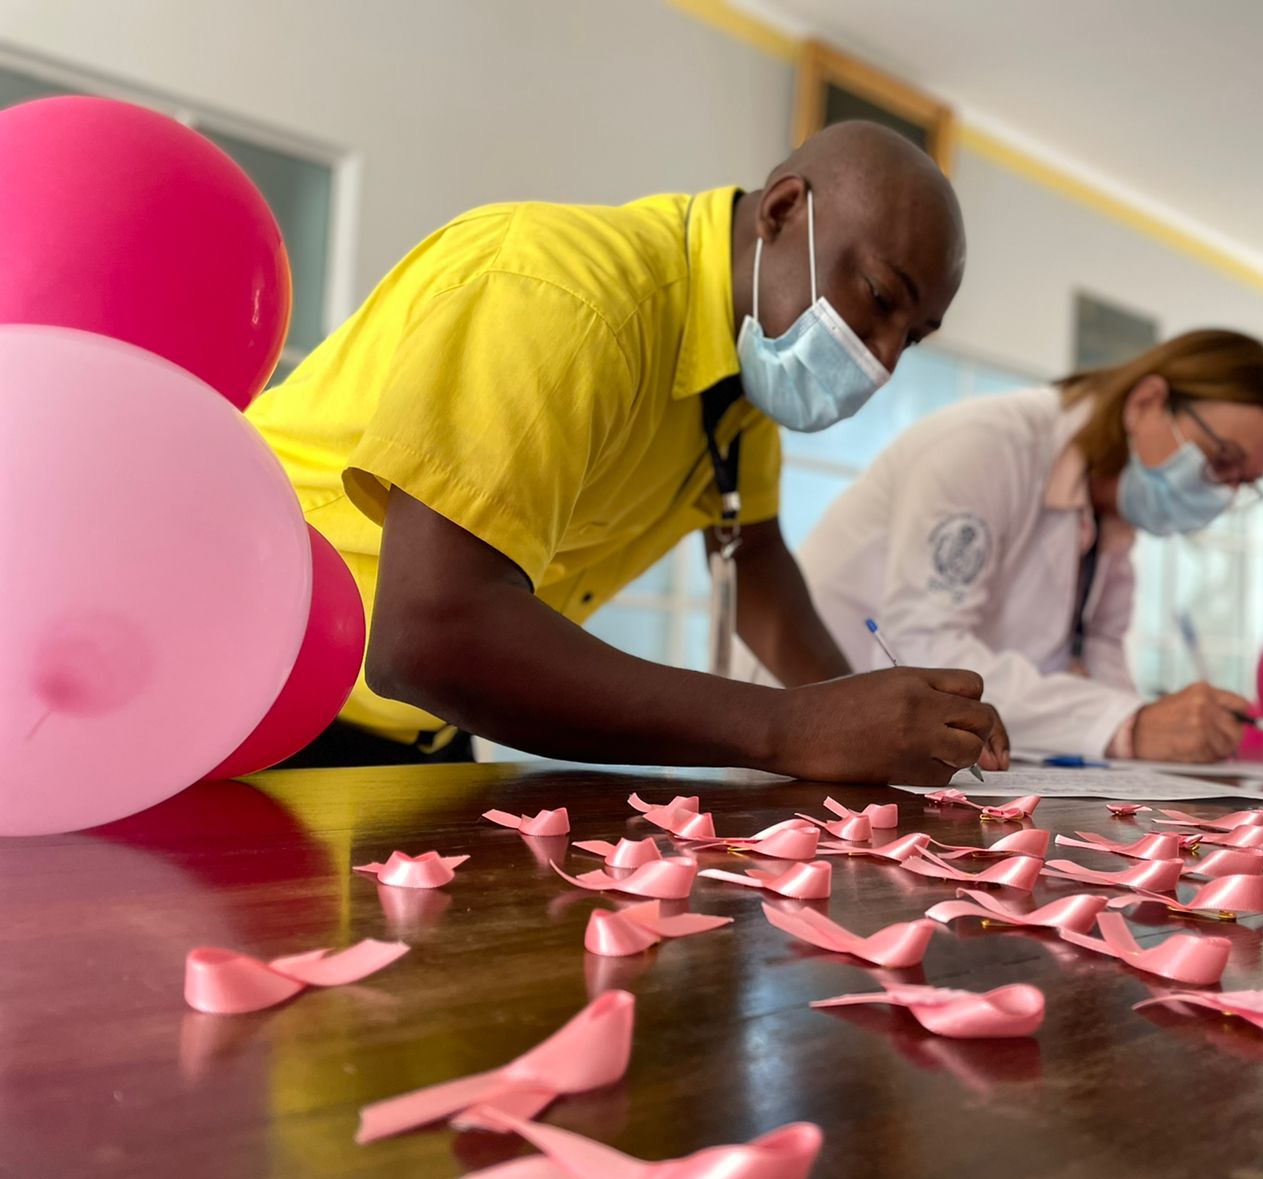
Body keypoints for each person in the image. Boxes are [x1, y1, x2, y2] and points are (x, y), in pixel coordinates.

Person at [246, 121, 1007, 783]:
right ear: (782, 211)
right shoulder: (560, 297)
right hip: (258, 709)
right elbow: (426, 637)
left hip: (420, 734)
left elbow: (758, 567)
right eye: (879, 297)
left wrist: (885, 724)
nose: (883, 359)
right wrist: (796, 729)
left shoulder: (740, 384)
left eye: (912, 338)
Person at [755, 329, 1263, 764]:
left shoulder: (1114, 519)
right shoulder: (989, 447)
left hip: (940, 758)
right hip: (811, 729)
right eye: (1222, 461)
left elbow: (1100, 659)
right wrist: (1129, 725)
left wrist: (1158, 728)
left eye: (1243, 483)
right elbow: (925, 651)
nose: (1221, 492)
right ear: (1146, 401)